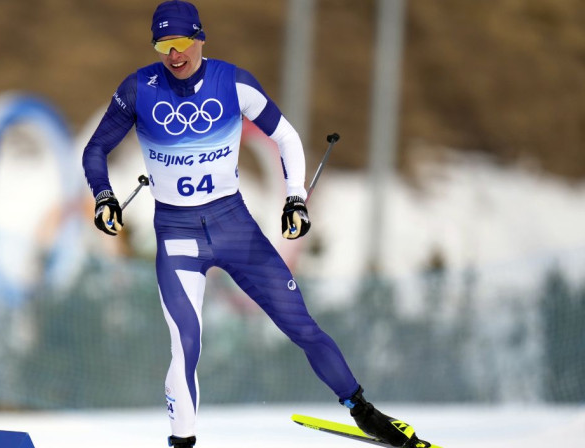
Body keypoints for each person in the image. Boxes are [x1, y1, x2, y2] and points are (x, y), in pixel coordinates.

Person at [82, 1, 433, 447]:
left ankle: (362, 409)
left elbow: (285, 136)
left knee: (300, 325)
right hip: (177, 234)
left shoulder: (234, 82)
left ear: (200, 38)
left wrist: (295, 198)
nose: (174, 54)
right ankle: (182, 442)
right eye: (164, 45)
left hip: (234, 227)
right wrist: (103, 196)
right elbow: (95, 149)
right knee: (186, 343)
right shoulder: (138, 89)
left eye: (182, 42)